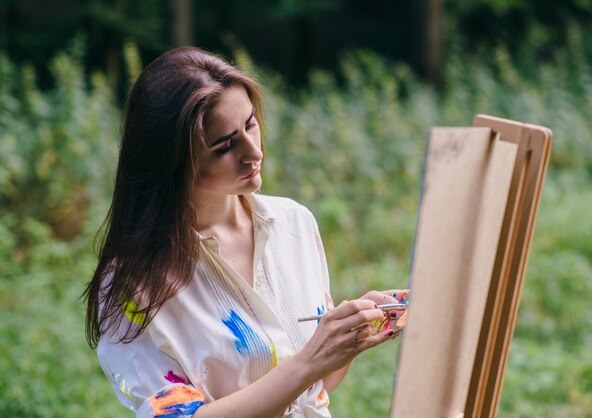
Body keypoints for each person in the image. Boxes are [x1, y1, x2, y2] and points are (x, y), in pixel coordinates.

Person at [83, 46, 407, 418]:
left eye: (250, 125)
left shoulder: (294, 223)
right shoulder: (132, 284)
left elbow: (312, 391)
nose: (253, 152)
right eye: (224, 145)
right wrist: (309, 361)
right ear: (172, 161)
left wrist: (345, 337)